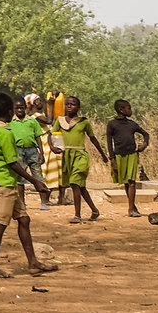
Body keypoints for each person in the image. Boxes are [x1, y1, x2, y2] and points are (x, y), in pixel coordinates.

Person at [0, 92, 56, 279]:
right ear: (9, 111)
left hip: (3, 181)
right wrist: (35, 181)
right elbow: (13, 162)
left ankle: (33, 263)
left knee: (24, 219)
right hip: (4, 182)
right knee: (0, 223)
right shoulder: (5, 133)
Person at [52, 94, 105, 223]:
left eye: (72, 104)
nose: (69, 106)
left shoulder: (83, 122)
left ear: (78, 107)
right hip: (67, 156)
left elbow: (92, 138)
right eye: (67, 104)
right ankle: (94, 210)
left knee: (75, 183)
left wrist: (102, 154)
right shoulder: (60, 121)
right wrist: (53, 147)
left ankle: (77, 215)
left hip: (80, 156)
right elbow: (52, 135)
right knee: (80, 186)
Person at [105, 100, 150, 217]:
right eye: (128, 108)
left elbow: (146, 134)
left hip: (132, 155)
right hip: (119, 156)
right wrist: (112, 159)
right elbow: (109, 142)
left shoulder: (132, 124)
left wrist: (144, 144)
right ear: (121, 110)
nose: (131, 111)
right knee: (126, 181)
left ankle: (131, 209)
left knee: (131, 181)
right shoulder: (112, 124)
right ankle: (132, 206)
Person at [8, 97, 53, 208]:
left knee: (38, 175)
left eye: (21, 108)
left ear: (25, 107)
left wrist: (41, 153)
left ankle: (43, 202)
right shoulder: (10, 122)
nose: (19, 110)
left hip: (32, 150)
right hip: (18, 150)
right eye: (17, 108)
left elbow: (38, 137)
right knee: (20, 177)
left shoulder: (32, 120)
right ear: (13, 109)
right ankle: (22, 202)